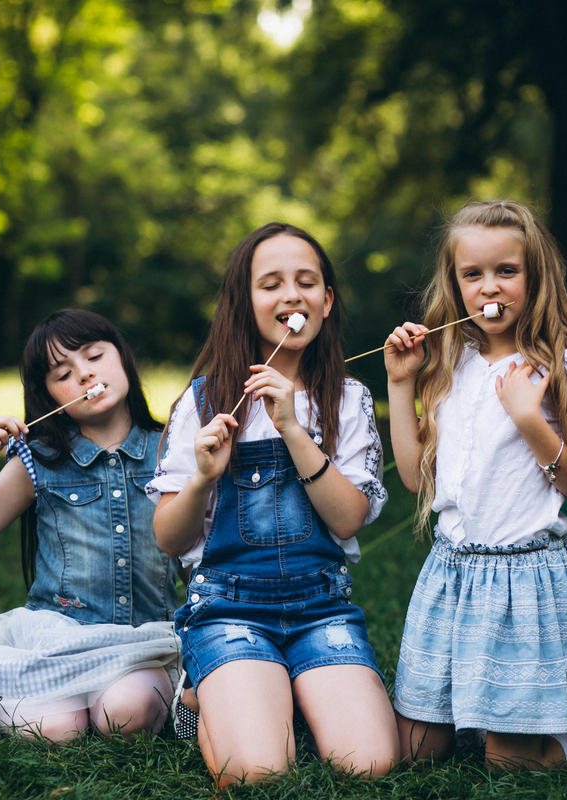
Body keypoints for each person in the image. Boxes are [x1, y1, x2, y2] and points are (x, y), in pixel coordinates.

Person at [384, 200, 567, 769]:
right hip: (453, 575)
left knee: (508, 765)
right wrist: (399, 384)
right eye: (473, 274)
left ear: (534, 276)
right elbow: (417, 479)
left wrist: (529, 421)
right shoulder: (449, 360)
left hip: (523, 582)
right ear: (455, 283)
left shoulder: (566, 362)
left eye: (506, 271)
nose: (490, 286)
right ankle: (485, 714)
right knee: (417, 754)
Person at [148, 223, 399, 785]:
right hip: (229, 608)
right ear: (245, 302)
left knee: (372, 764)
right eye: (271, 284)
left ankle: (279, 691)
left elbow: (348, 517)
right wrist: (201, 480)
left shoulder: (348, 400)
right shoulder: (203, 401)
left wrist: (291, 426)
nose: (291, 295)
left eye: (306, 282)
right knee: (255, 772)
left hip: (321, 609)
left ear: (327, 301)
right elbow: (169, 538)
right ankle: (213, 690)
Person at [0, 310, 180, 742]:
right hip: (60, 641)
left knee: (127, 716)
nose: (84, 375)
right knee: (56, 730)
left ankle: (96, 700)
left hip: (142, 643)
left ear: (122, 358)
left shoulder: (173, 451)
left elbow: (199, 554)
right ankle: (45, 706)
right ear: (47, 394)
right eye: (63, 373)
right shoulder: (41, 461)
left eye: (95, 356)